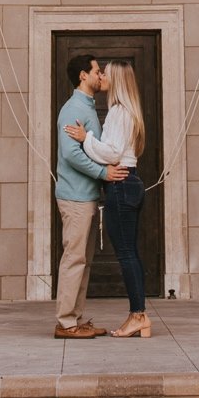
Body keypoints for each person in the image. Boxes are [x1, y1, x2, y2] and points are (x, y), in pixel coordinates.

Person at [66, 57, 149, 338]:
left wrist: (85, 138)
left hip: (121, 186)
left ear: (117, 80)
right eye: (98, 73)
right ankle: (138, 315)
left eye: (106, 74)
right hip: (131, 182)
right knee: (130, 253)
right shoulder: (127, 111)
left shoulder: (117, 111)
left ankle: (138, 315)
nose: (101, 77)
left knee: (126, 254)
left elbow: (112, 153)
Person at [53, 52, 123, 338]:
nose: (100, 75)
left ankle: (76, 318)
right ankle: (66, 322)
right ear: (83, 75)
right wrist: (103, 174)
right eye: (96, 71)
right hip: (75, 197)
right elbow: (70, 154)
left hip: (85, 197)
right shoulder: (73, 109)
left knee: (84, 260)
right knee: (74, 258)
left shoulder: (87, 106)